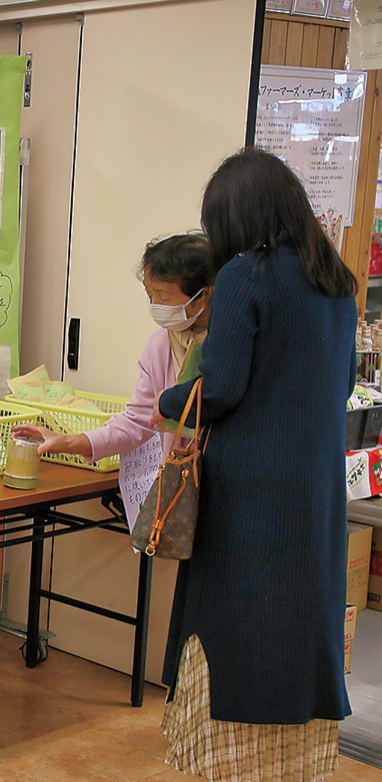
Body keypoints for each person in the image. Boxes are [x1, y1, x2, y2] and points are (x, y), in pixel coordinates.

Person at [152, 147, 357, 781]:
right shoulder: (336, 280)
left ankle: (229, 766)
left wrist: (168, 401)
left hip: (249, 492)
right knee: (298, 628)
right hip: (316, 490)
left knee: (234, 631)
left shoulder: (249, 273)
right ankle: (293, 766)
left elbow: (219, 388)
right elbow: (344, 382)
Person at [12, 233, 214, 464]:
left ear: (203, 295)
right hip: (184, 474)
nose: (155, 305)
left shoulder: (228, 343)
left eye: (163, 297)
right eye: (150, 295)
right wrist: (67, 442)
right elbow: (135, 422)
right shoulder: (160, 345)